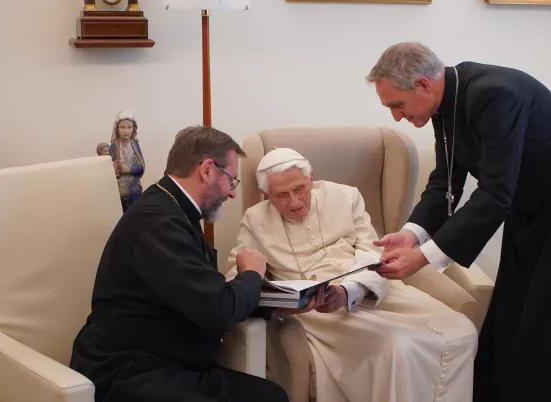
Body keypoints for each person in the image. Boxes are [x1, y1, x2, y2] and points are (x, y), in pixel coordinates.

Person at [366, 42, 551, 402]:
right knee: (514, 318)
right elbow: (445, 182)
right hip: (531, 207)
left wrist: (426, 257)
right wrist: (411, 235)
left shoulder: (495, 94)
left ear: (425, 85)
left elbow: (494, 193)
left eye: (398, 105)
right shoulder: (447, 104)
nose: (396, 117)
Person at [225, 147, 478, 402]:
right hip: (319, 310)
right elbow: (237, 274)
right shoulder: (255, 219)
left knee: (462, 331)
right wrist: (270, 291)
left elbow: (372, 253)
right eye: (281, 195)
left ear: (311, 177)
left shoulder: (345, 196)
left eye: (300, 189)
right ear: (265, 194)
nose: (294, 202)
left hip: (368, 287)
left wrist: (349, 291)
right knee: (398, 346)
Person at [69, 126, 289, 402]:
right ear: (208, 170)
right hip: (128, 370)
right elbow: (219, 308)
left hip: (170, 364)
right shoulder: (158, 222)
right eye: (231, 180)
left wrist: (281, 301)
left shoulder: (169, 207)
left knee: (271, 396)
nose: (232, 194)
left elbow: (200, 294)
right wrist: (252, 273)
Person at [108, 109, 145, 212]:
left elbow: (141, 168)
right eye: (122, 127)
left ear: (134, 129)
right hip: (118, 184)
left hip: (132, 184)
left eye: (129, 127)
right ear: (117, 129)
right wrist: (114, 169)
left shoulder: (134, 145)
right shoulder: (114, 146)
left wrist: (128, 170)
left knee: (135, 191)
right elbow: (107, 167)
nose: (126, 131)